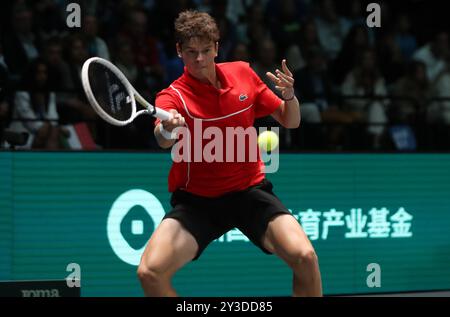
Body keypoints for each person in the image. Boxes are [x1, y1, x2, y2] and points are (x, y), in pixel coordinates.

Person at [137, 10, 322, 297]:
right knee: (150, 272)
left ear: (217, 47)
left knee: (305, 258)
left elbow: (291, 120)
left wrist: (289, 96)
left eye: (205, 50)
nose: (199, 59)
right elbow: (161, 138)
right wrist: (169, 129)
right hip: (198, 202)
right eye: (191, 52)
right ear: (179, 52)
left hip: (249, 193)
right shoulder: (173, 95)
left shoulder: (243, 74)